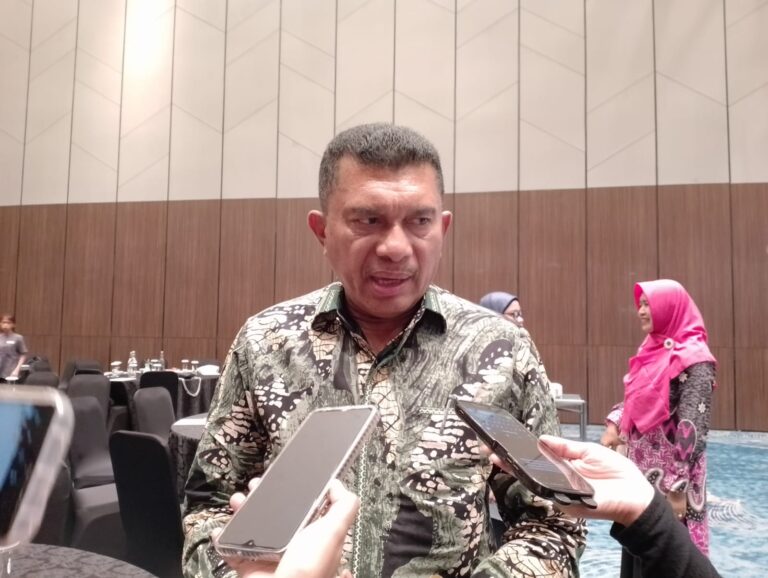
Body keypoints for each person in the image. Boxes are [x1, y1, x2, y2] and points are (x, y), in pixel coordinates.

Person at [182, 124, 586, 577]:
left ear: (443, 228)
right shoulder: (265, 342)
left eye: (419, 221)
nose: (395, 248)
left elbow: (552, 521)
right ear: (322, 230)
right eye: (367, 220)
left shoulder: (499, 348)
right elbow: (209, 506)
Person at [600, 280, 716, 575]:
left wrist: (677, 488)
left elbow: (692, 427)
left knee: (669, 557)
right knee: (639, 550)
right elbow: (634, 397)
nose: (640, 311)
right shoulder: (651, 349)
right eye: (640, 304)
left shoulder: (696, 359)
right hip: (642, 477)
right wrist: (615, 422)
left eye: (648, 304)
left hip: (673, 482)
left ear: (669, 308)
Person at [487, 437, 722, 578]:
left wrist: (678, 483)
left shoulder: (692, 365)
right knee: (638, 559)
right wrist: (644, 510)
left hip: (669, 477)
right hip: (642, 473)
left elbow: (692, 427)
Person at [0, 314, 27, 382]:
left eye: (8, 323)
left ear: (13, 325)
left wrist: (17, 370)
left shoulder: (18, 338)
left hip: (11, 371)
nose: (5, 325)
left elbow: (23, 354)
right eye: (3, 322)